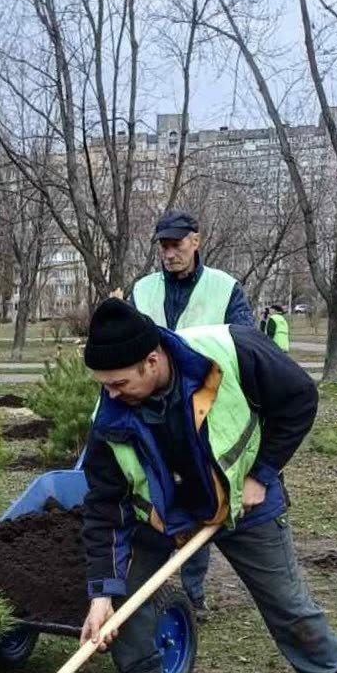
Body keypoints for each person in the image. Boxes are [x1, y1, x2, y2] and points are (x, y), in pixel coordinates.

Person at [79, 296, 337, 673]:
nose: (111, 393)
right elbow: (103, 504)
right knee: (127, 602)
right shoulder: (110, 413)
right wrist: (100, 592)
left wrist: (263, 472)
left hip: (245, 504)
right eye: (105, 385)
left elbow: (300, 399)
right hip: (163, 513)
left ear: (152, 361)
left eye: (120, 383)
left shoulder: (231, 352)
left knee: (291, 611)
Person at [129, 208, 256, 620]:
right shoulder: (144, 290)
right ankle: (146, 582)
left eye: (177, 244)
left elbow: (245, 346)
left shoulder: (224, 289)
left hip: (206, 410)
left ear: (196, 241)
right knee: (157, 492)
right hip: (154, 408)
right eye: (163, 246)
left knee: (204, 494)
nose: (169, 253)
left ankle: (194, 593)